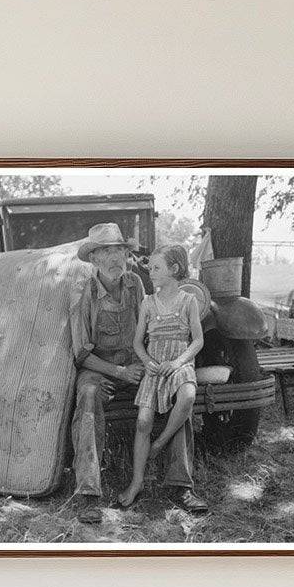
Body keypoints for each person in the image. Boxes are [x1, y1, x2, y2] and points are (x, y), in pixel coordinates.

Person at [69, 224, 208, 523]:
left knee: (177, 394)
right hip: (101, 371)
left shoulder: (135, 285)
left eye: (119, 250)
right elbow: (80, 353)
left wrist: (157, 365)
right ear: (94, 259)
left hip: (138, 368)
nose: (114, 258)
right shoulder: (84, 294)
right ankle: (88, 494)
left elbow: (149, 333)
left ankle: (180, 485)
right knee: (88, 397)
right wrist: (118, 371)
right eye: (106, 251)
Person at [119, 245, 204, 508]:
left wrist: (179, 362)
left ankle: (161, 443)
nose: (150, 272)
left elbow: (197, 340)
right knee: (143, 421)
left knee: (188, 395)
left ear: (174, 270)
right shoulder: (148, 303)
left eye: (156, 268)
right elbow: (137, 343)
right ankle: (136, 483)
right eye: (150, 267)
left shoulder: (189, 300)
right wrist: (147, 362)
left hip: (179, 364)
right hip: (155, 366)